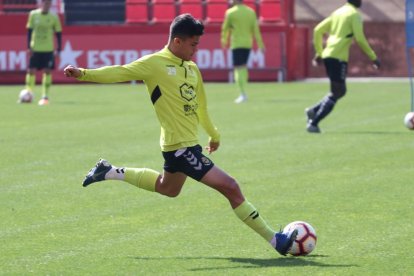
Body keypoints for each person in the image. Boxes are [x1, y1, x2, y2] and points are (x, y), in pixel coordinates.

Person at [64, 14, 296, 255]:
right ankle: (275, 240)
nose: (196, 50)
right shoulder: (154, 64)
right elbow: (119, 72)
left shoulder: (192, 69)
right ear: (177, 42)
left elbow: (201, 107)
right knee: (231, 187)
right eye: (193, 44)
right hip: (179, 146)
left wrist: (214, 135)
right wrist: (83, 73)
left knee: (168, 189)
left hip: (186, 145)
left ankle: (108, 171)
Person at [306, 0, 380, 133]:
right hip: (338, 57)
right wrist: (373, 57)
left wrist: (320, 52)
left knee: (339, 91)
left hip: (329, 54)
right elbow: (360, 39)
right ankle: (314, 122)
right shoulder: (354, 15)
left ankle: (313, 111)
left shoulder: (337, 13)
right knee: (338, 91)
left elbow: (318, 30)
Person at [221, 0, 264, 104]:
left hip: (236, 44)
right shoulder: (251, 12)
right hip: (247, 44)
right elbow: (256, 30)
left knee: (238, 68)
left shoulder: (230, 13)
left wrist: (224, 41)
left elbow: (225, 29)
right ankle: (244, 91)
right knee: (243, 67)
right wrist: (260, 44)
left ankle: (242, 93)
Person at [22, 0, 62, 105]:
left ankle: (45, 95)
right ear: (41, 4)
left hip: (48, 49)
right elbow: (29, 31)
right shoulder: (33, 15)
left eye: (48, 3)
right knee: (31, 70)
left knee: (47, 71)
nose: (46, 5)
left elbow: (58, 33)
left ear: (50, 5)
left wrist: (59, 48)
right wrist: (28, 47)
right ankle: (28, 93)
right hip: (35, 48)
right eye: (45, 3)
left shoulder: (54, 17)